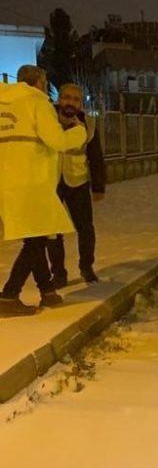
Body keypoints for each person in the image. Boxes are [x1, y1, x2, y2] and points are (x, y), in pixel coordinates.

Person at [0, 66, 87, 316]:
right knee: (37, 240)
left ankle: (47, 291)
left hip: (7, 179)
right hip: (32, 180)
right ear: (39, 82)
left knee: (33, 236)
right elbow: (57, 141)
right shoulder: (37, 102)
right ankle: (9, 296)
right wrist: (79, 131)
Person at [46, 83, 106, 287]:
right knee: (53, 231)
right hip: (51, 181)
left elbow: (96, 157)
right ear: (59, 99)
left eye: (75, 99)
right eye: (66, 98)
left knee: (86, 228)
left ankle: (87, 267)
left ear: (81, 103)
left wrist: (99, 187)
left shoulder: (88, 122)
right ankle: (59, 274)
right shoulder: (47, 118)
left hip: (77, 181)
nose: (70, 102)